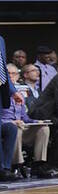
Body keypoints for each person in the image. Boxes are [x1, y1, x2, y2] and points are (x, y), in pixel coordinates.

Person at [0, 37, 20, 181]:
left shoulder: (0, 40)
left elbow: (3, 70)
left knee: (11, 129)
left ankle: (6, 168)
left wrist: (13, 91)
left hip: (1, 94)